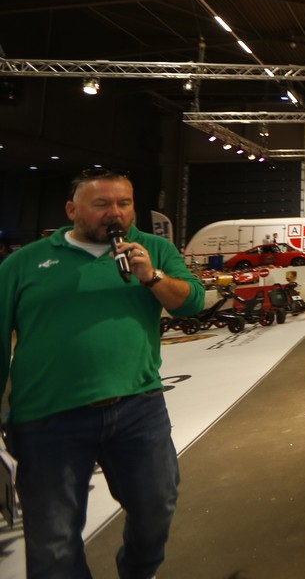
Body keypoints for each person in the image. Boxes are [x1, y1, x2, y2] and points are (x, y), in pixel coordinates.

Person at [0, 168, 206, 578]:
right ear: (72, 210)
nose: (115, 213)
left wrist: (151, 276)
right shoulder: (22, 264)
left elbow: (192, 302)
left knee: (156, 507)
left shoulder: (154, 249)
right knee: (53, 542)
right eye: (102, 204)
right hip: (47, 418)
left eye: (124, 203)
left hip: (137, 409)